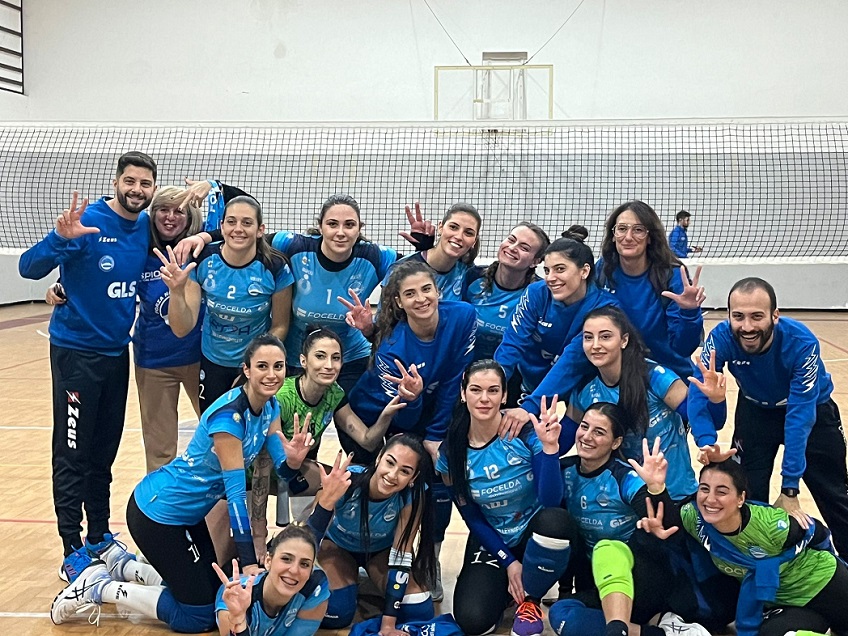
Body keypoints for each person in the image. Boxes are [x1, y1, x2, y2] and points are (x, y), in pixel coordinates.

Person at [49, 333, 316, 632]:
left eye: (278, 366)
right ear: (247, 369)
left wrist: (294, 461)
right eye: (262, 366)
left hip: (187, 516)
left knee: (212, 593)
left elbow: (284, 470)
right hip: (158, 514)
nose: (271, 374)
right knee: (197, 616)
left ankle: (123, 566)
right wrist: (249, 562)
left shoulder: (270, 407)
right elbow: (235, 497)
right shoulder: (229, 420)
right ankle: (98, 587)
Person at [18, 151, 158, 582]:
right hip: (76, 355)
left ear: (152, 189)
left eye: (145, 184)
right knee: (72, 453)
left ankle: (99, 535)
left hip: (117, 355)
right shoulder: (88, 222)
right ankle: (71, 548)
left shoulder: (146, 227)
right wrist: (59, 240)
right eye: (130, 181)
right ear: (116, 182)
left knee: (103, 453)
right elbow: (28, 268)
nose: (137, 190)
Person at [46, 185, 206, 472]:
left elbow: (235, 230)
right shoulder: (139, 248)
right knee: (159, 451)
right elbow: (97, 273)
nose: (170, 217)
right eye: (163, 210)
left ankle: (224, 500)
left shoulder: (201, 251)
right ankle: (159, 501)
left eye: (179, 211)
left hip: (200, 360)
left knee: (219, 439)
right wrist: (59, 287)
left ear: (190, 217)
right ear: (152, 214)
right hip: (154, 361)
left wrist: (205, 227)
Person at [688, 276, 848, 555]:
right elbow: (699, 391)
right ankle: (754, 564)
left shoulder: (802, 343)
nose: (747, 327)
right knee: (748, 493)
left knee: (834, 495)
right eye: (738, 316)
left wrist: (789, 489)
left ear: (775, 316)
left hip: (812, 412)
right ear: (728, 315)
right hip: (755, 411)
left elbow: (799, 418)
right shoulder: (720, 339)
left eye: (757, 316)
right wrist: (706, 440)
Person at [346, 259, 477, 600]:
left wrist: (435, 434)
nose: (421, 299)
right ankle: (359, 554)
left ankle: (429, 559)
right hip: (375, 413)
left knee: (438, 481)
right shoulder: (393, 348)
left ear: (438, 291)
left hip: (429, 410)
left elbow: (454, 378)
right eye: (410, 294)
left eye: (426, 289)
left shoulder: (463, 316)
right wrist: (415, 399)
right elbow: (402, 419)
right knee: (378, 483)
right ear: (398, 302)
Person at [546, 403, 733, 636]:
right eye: (584, 427)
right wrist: (549, 449)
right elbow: (546, 504)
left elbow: (667, 525)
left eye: (599, 432)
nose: (587, 436)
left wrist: (656, 489)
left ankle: (619, 630)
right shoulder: (565, 470)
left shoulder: (624, 476)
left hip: (642, 579)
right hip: (603, 584)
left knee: (608, 548)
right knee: (562, 615)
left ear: (616, 442)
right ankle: (662, 632)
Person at [437, 360, 574, 636]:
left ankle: (530, 599)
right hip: (494, 539)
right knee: (473, 621)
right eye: (476, 390)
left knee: (556, 520)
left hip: (536, 534)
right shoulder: (450, 452)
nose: (484, 398)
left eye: (493, 390)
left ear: (504, 396)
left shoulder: (524, 434)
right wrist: (508, 561)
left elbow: (551, 500)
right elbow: (472, 518)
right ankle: (510, 588)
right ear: (463, 394)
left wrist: (550, 449)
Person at [639, 459, 848, 636]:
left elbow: (819, 534)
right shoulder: (693, 517)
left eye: (721, 492)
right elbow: (670, 523)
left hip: (823, 585)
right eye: (704, 489)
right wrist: (656, 488)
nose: (710, 499)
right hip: (779, 601)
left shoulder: (770, 525)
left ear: (741, 498)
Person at [249, 327, 407, 549]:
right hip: (252, 475)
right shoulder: (281, 397)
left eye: (336, 358)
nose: (329, 365)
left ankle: (308, 542)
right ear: (303, 361)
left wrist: (386, 415)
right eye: (320, 356)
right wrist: (259, 532)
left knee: (346, 481)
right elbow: (261, 467)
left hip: (295, 470)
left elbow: (367, 440)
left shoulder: (334, 394)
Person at [157, 195, 295, 412]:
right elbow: (182, 328)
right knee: (215, 427)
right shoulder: (203, 260)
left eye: (247, 223)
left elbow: (280, 326)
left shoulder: (275, 267)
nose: (238, 229)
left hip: (255, 366)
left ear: (260, 230)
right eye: (231, 222)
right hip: (213, 363)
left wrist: (253, 365)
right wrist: (176, 292)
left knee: (255, 429)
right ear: (221, 227)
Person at [567, 306, 698, 500]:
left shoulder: (655, 376)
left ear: (624, 340)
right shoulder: (584, 389)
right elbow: (564, 437)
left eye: (605, 337)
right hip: (628, 500)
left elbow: (699, 417)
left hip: (677, 495)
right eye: (588, 337)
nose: (595, 345)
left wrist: (708, 439)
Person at [497, 229, 618, 429]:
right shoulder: (536, 293)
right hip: (528, 384)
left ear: (584, 271)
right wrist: (493, 386)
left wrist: (530, 407)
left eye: (560, 269)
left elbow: (572, 361)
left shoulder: (605, 308)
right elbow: (512, 343)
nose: (550, 278)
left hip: (578, 393)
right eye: (547, 270)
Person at [318, 434, 438, 635]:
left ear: (413, 478)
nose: (392, 475)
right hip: (337, 547)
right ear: (379, 458)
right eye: (390, 462)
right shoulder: (347, 480)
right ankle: (351, 581)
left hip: (380, 552)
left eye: (405, 471)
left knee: (419, 610)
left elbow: (401, 556)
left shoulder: (412, 496)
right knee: (337, 612)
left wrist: (388, 625)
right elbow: (311, 532)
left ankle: (369, 581)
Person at [596, 200, 706, 383]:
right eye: (621, 229)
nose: (628, 237)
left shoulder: (671, 275)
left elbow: (683, 347)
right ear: (613, 235)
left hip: (670, 375)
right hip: (619, 376)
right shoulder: (602, 271)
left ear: (650, 237)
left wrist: (690, 313)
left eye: (638, 230)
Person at [381, 202, 481, 302]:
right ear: (440, 228)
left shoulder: (468, 274)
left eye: (468, 233)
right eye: (453, 227)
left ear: (474, 241)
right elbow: (385, 311)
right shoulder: (401, 269)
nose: (459, 236)